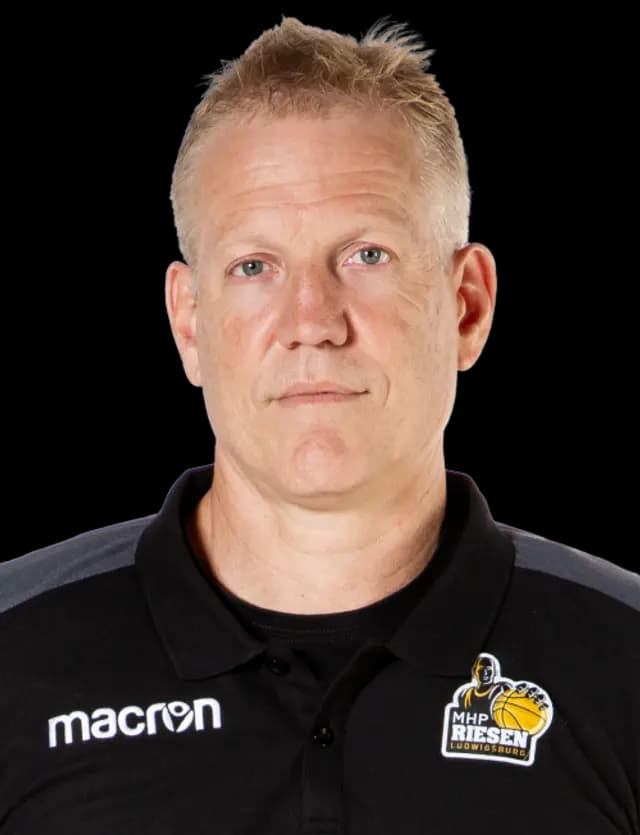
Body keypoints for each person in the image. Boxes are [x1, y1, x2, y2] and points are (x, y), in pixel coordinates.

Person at [1, 15, 638, 835]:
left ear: (467, 306)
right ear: (189, 323)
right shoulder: (14, 652)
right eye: (254, 266)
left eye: (366, 255)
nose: (312, 320)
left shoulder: (624, 661)